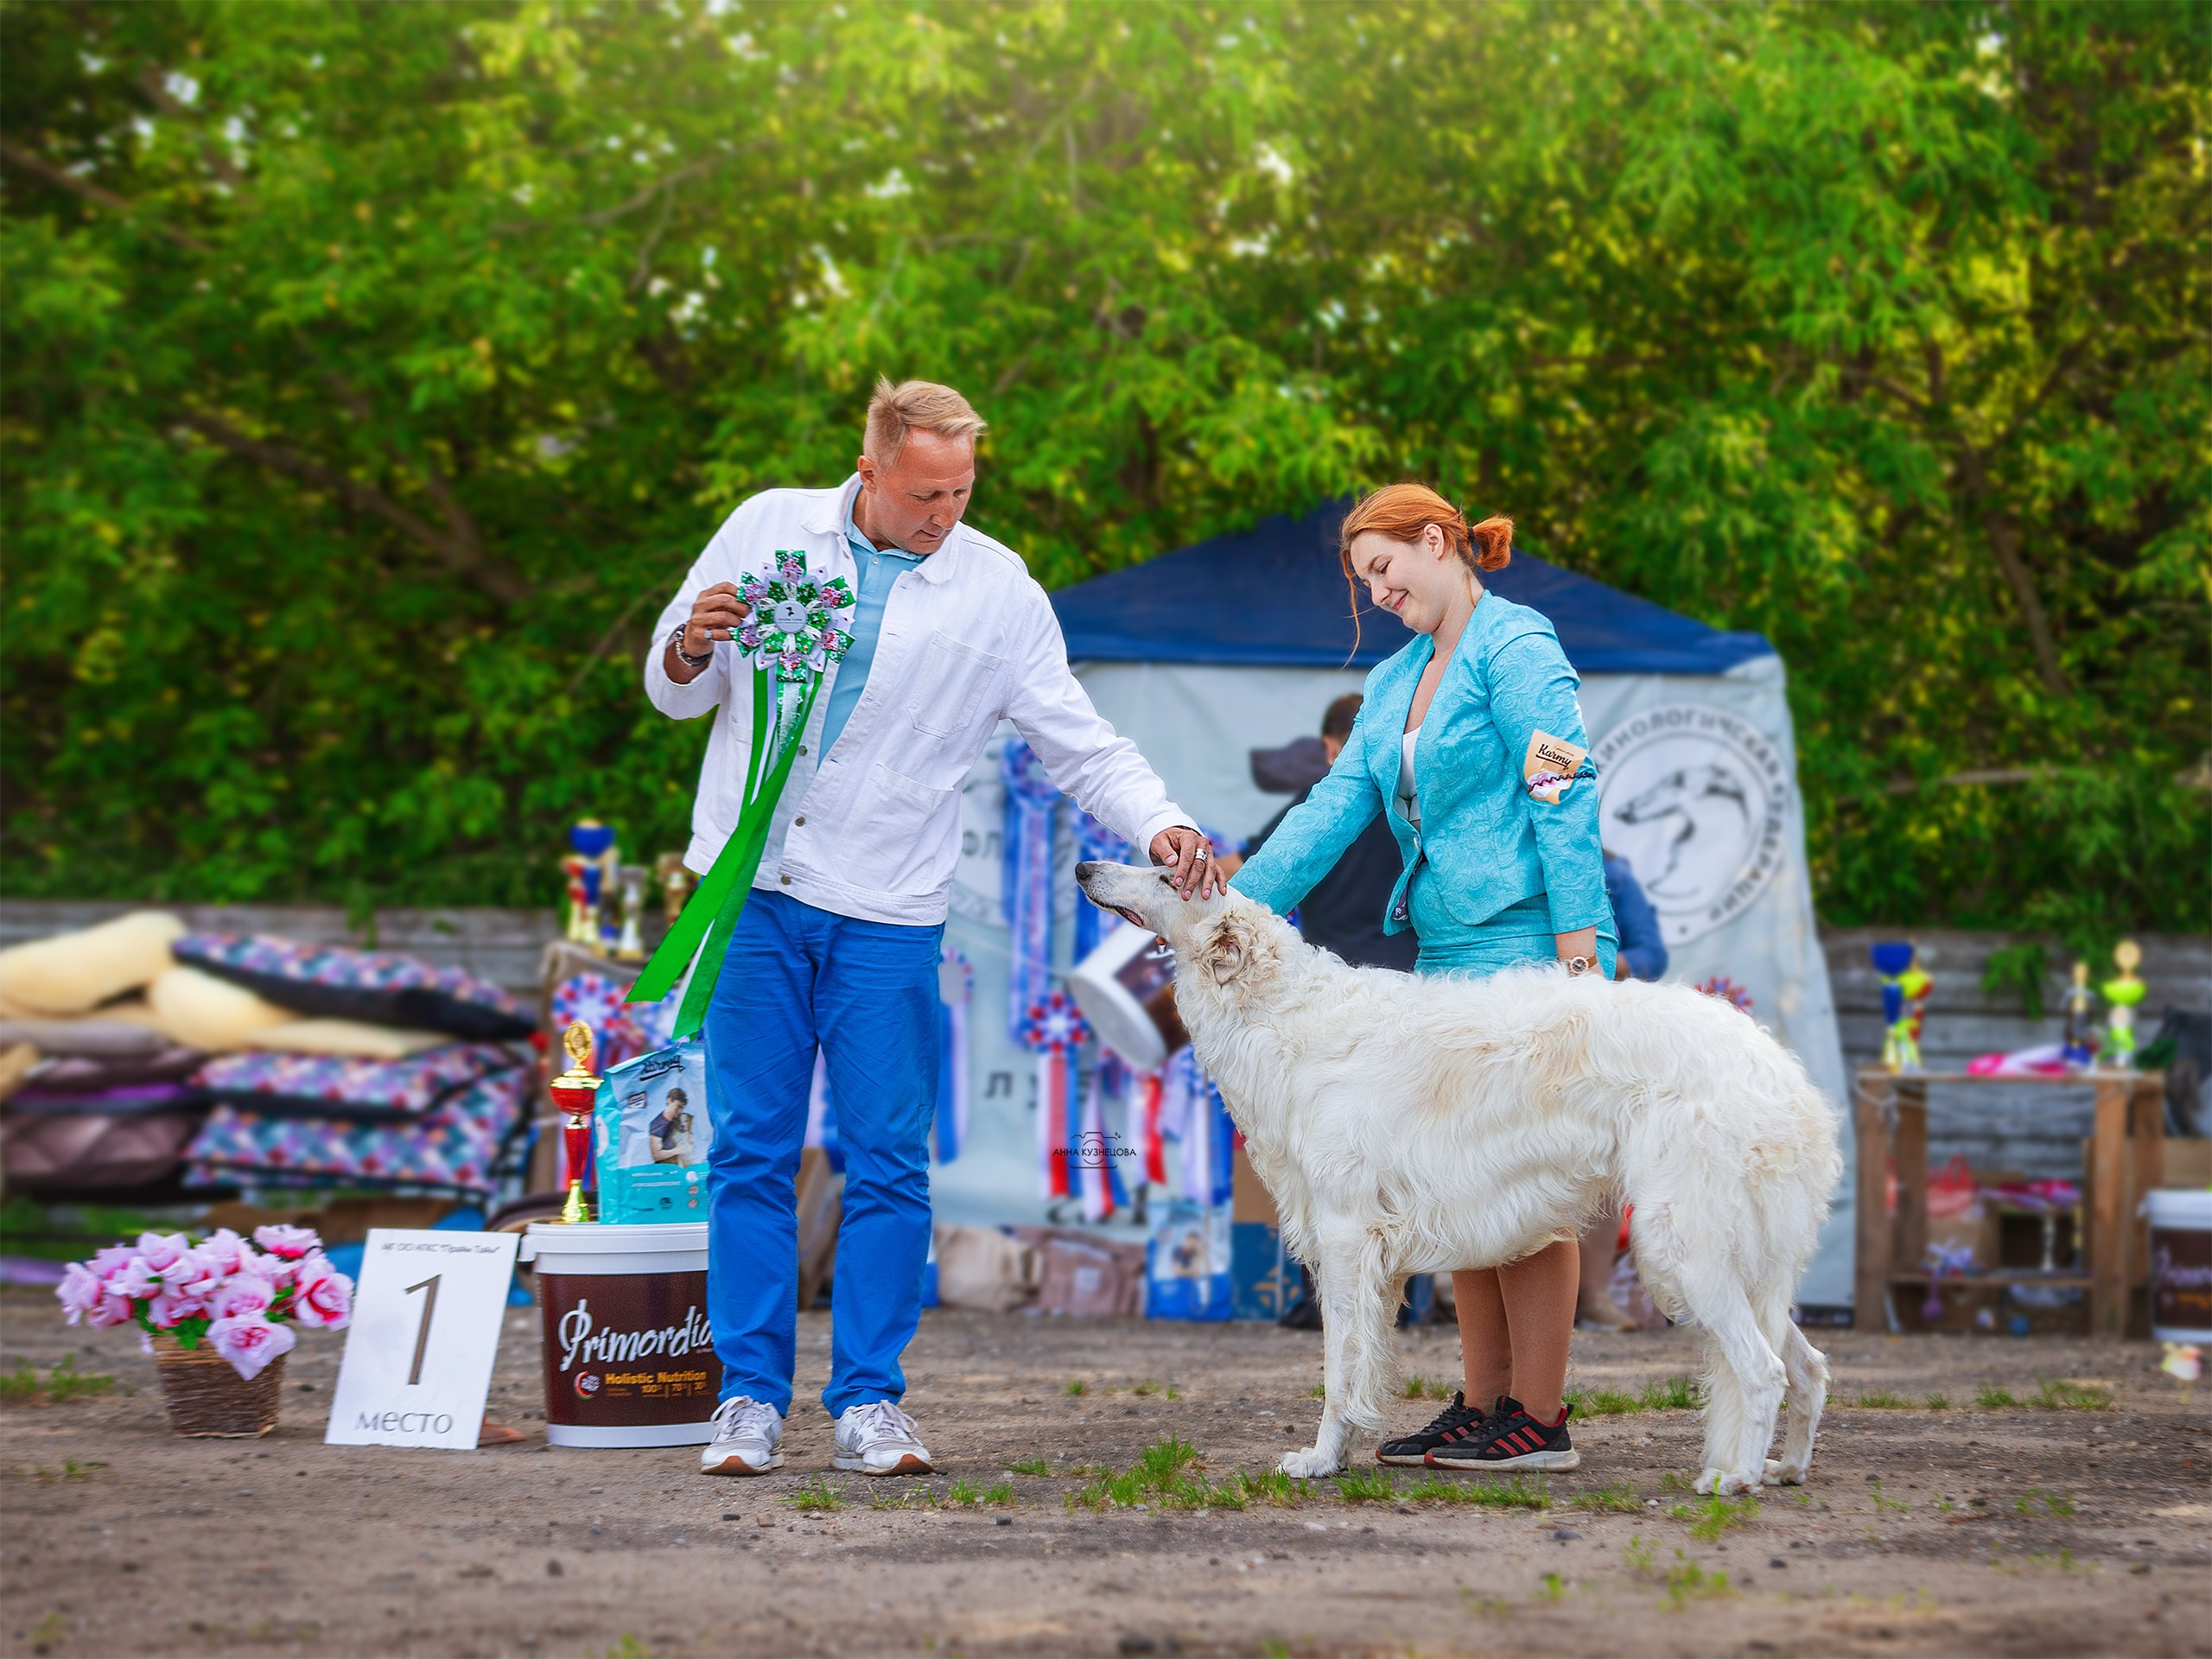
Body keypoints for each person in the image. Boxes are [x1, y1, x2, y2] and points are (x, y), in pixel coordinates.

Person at [647, 378, 1224, 1479]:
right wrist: (684, 649)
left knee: (888, 1164)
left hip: (888, 911)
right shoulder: (767, 524)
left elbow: (1080, 742)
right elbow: (676, 688)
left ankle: (869, 1399)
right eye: (922, 493)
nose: (942, 513)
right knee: (752, 1155)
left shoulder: (1000, 589)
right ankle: (747, 1399)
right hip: (754, 889)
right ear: (867, 470)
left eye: (959, 492)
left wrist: (1163, 823)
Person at [1230, 483, 1617, 1474]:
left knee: (1527, 1189)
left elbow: (1559, 783)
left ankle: (1540, 1420)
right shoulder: (1399, 679)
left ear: (1439, 542)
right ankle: (1483, 1407)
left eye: (1384, 568)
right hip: (1447, 955)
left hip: (1533, 948)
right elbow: (1332, 805)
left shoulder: (1516, 646)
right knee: (1465, 1186)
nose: (1376, 591)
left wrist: (1580, 951)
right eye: (1364, 578)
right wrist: (1237, 899)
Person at [1228, 692, 1416, 1330]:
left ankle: (1326, 1299)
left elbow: (1245, 874)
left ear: (1333, 748)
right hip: (1405, 990)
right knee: (1404, 1151)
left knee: (1328, 1155)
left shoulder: (1319, 808)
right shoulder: (1408, 806)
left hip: (1329, 1005)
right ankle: (1410, 1298)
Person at [1576, 852, 1669, 1328]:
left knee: (1602, 1166)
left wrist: (1594, 965)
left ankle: (1592, 1295)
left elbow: (1654, 954)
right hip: (1527, 1034)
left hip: (1600, 1037)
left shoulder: (1613, 874)